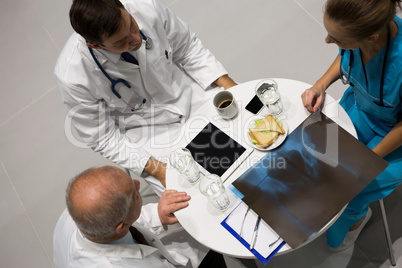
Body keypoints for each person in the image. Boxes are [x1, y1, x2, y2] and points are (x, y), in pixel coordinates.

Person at [54, 0, 237, 196]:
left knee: (252, 146)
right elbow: (103, 138)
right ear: (95, 45)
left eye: (132, 25)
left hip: (191, 99)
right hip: (150, 135)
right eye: (120, 42)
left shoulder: (144, 6)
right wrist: (159, 169)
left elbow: (188, 48)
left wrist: (233, 89)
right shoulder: (72, 76)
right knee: (204, 198)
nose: (135, 39)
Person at [301, 0, 402, 251]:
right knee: (316, 157)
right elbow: (346, 54)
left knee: (349, 190)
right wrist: (320, 84)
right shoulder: (361, 35)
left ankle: (355, 221)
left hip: (395, 137)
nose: (327, 41)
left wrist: (366, 159)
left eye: (336, 39)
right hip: (360, 108)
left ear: (371, 37)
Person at [53, 166, 227, 267]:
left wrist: (157, 215)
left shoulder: (80, 208)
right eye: (134, 194)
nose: (138, 183)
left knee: (205, 246)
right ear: (121, 226)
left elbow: (125, 223)